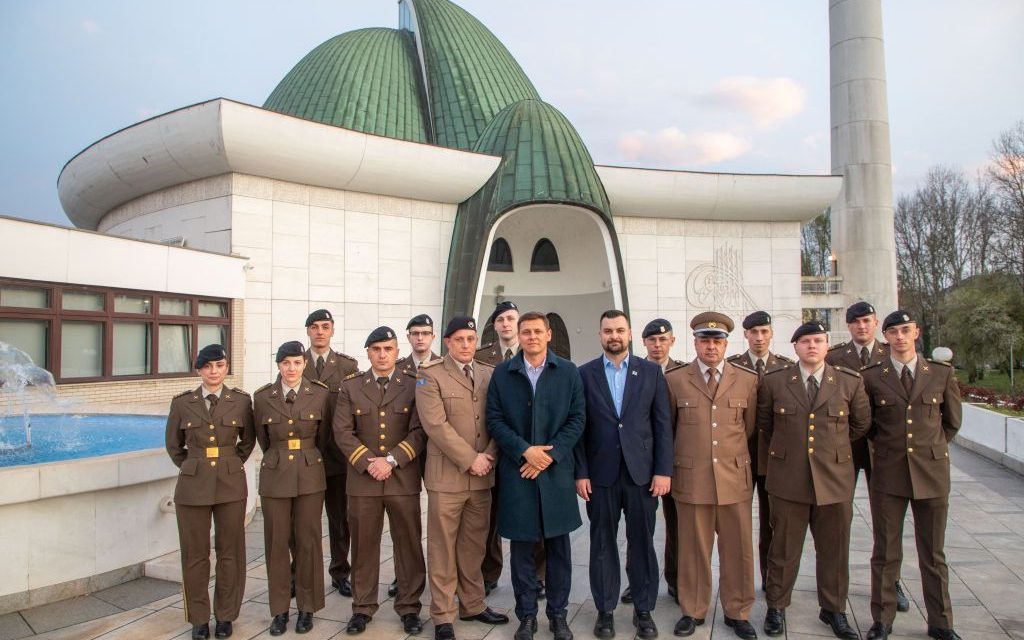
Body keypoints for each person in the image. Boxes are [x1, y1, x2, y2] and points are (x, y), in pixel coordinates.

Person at [757, 322, 870, 639]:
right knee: (783, 549)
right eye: (805, 341)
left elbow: (860, 425)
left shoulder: (848, 382)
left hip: (833, 481)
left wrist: (829, 451)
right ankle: (776, 607)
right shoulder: (775, 382)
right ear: (795, 347)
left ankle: (833, 609)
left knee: (834, 550)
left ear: (827, 345)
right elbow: (765, 423)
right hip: (788, 479)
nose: (812, 346)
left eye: (818, 340)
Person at [861, 311, 962, 640]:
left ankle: (941, 622)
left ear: (916, 333)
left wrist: (927, 449)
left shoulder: (941, 374)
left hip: (931, 474)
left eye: (906, 330)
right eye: (893, 332)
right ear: (886, 336)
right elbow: (868, 425)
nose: (900, 337)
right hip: (889, 473)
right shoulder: (873, 376)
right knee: (886, 552)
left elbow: (951, 423)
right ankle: (883, 619)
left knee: (933, 553)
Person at [486, 311, 586, 640]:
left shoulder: (568, 372)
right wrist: (524, 451)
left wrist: (549, 454)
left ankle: (558, 615)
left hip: (555, 475)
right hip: (519, 475)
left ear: (548, 335)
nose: (531, 337)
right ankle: (526, 616)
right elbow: (495, 420)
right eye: (525, 331)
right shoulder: (503, 373)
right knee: (523, 550)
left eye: (537, 331)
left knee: (559, 550)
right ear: (519, 335)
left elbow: (577, 419)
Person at [574, 310, 672, 639]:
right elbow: (579, 429)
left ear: (629, 334)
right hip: (600, 476)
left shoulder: (651, 373)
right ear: (599, 335)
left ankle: (643, 610)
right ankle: (605, 610)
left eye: (619, 330)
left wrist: (662, 470)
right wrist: (581, 472)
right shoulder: (584, 374)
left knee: (642, 542)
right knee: (602, 543)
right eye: (607, 331)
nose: (613, 336)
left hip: (642, 474)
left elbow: (662, 426)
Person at [665, 312, 759, 640]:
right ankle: (693, 609)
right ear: (695, 342)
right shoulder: (676, 379)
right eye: (705, 340)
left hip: (733, 479)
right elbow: (670, 429)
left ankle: (738, 610)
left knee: (738, 550)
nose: (711, 346)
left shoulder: (746, 379)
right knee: (693, 550)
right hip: (692, 480)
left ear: (726, 344)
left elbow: (748, 430)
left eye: (717, 341)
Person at [417, 316, 510, 640]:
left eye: (471, 339)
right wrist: (472, 459)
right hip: (448, 478)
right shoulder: (430, 375)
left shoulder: (489, 373)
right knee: (443, 547)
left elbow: (499, 419)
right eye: (459, 340)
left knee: (474, 546)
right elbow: (436, 426)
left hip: (483, 476)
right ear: (447, 342)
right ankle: (443, 614)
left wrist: (489, 457)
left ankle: (472, 604)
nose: (466, 345)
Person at [334, 327, 427, 635]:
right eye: (376, 349)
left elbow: (420, 431)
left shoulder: (414, 384)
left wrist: (390, 461)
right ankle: (362, 607)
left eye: (388, 348)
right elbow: (342, 432)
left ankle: (410, 606)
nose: (382, 354)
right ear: (368, 353)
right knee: (363, 546)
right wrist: (368, 462)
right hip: (363, 481)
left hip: (402, 478)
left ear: (397, 351)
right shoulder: (351, 386)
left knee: (408, 545)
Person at [165, 344, 255, 640]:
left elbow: (248, 441)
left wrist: (228, 463)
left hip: (230, 483)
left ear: (226, 368)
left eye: (219, 366)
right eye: (207, 367)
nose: (214, 372)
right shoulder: (182, 403)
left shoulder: (241, 401)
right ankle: (199, 618)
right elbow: (174, 447)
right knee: (195, 554)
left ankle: (226, 615)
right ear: (199, 371)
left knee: (230, 553)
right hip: (193, 485)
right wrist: (196, 465)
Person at [825, 301, 910, 614]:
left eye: (867, 321)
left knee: (887, 523)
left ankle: (892, 583)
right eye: (856, 322)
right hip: (846, 448)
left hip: (885, 451)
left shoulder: (891, 353)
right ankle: (836, 584)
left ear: (876, 324)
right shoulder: (834, 357)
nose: (862, 327)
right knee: (838, 520)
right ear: (848, 326)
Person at [253, 341, 333, 636]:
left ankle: (307, 608)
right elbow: (262, 438)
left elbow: (324, 437)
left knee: (308, 541)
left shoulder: (320, 394)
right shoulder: (262, 397)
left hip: (310, 474)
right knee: (276, 543)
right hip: (275, 476)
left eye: (297, 363)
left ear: (304, 364)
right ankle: (279, 610)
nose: (291, 369)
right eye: (286, 363)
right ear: (278, 365)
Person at [477, 300, 547, 597]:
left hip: (535, 451)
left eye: (511, 319)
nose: (506, 324)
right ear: (495, 325)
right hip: (497, 451)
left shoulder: (537, 356)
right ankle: (490, 573)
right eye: (501, 319)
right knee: (491, 518)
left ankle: (539, 575)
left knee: (537, 516)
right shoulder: (482, 357)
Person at [725, 310, 793, 591]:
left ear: (771, 334)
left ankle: (770, 579)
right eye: (754, 333)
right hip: (740, 457)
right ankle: (738, 581)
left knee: (772, 524)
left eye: (764, 332)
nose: (759, 338)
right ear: (745, 335)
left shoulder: (785, 368)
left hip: (774, 458)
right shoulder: (733, 367)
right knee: (737, 524)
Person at [618, 318, 683, 607]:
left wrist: (665, 467)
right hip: (641, 466)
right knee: (641, 528)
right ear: (642, 342)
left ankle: (677, 579)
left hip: (677, 463)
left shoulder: (685, 373)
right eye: (652, 340)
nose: (658, 345)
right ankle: (637, 581)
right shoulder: (635, 371)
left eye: (663, 339)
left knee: (679, 527)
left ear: (672, 341)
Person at [301, 308, 358, 597]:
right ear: (308, 331)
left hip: (337, 458)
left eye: (325, 326)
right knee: (304, 522)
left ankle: (340, 572)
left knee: (339, 519)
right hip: (306, 458)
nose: (320, 331)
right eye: (314, 326)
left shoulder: (347, 366)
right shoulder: (296, 363)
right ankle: (301, 574)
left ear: (332, 330)